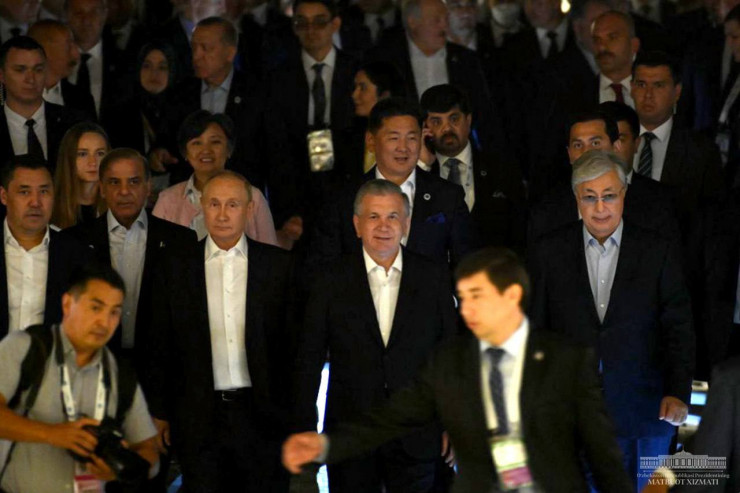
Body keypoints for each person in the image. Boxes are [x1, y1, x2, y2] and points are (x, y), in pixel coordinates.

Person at [283, 247, 633, 492]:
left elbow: (602, 456)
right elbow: (390, 419)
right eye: (462, 298)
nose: (465, 310)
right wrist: (325, 445)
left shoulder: (567, 362)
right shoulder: (450, 363)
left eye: (477, 296)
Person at [530, 151, 694, 490]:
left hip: (646, 411)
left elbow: (678, 327)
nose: (600, 207)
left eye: (609, 195)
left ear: (624, 194)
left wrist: (678, 391)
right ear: (576, 198)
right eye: (589, 197)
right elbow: (536, 332)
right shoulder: (549, 251)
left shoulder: (657, 249)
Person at [295, 179, 457, 492]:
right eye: (373, 217)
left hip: (417, 434)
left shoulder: (433, 276)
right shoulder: (329, 280)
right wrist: (305, 429)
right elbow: (309, 359)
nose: (383, 226)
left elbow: (449, 355)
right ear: (357, 225)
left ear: (406, 224)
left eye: (392, 217)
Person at [145, 170, 297, 492]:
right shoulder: (175, 265)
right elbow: (159, 342)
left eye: (233, 204)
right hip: (199, 415)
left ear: (249, 209)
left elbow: (294, 347)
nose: (223, 214)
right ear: (201, 206)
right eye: (214, 204)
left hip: (263, 414)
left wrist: (297, 415)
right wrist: (159, 412)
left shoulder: (279, 266)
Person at [0, 262, 159, 493]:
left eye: (114, 312)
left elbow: (149, 450)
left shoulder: (120, 373)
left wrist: (120, 469)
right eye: (95, 308)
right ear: (67, 304)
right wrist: (52, 434)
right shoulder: (25, 348)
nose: (104, 322)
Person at [63, 147, 197, 367]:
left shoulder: (180, 241)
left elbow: (188, 318)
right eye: (114, 182)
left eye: (134, 182)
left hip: (162, 369)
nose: (124, 191)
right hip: (93, 365)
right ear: (102, 188)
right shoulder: (73, 241)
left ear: (148, 186)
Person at [309, 97, 477, 271]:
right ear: (371, 141)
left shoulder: (448, 196)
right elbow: (323, 268)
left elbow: (467, 266)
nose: (403, 148)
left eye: (412, 138)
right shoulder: (343, 199)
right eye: (394, 138)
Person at [264, 0, 358, 248]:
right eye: (301, 22)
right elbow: (275, 149)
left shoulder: (355, 71)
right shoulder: (278, 77)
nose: (310, 30)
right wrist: (286, 210)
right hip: (298, 192)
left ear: (335, 24)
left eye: (319, 21)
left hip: (347, 183)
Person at [528, 110, 680, 246]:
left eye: (595, 143)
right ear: (569, 154)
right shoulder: (545, 212)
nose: (587, 153)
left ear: (616, 147)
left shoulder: (656, 205)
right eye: (578, 145)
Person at [364, 0, 499, 149]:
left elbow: (484, 114)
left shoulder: (466, 59)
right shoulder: (387, 59)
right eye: (437, 20)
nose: (445, 26)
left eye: (446, 19)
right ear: (413, 22)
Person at [157, 16, 267, 189]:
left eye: (206, 48)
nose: (197, 56)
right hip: (189, 193)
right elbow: (167, 140)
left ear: (230, 53)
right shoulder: (180, 94)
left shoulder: (256, 94)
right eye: (194, 48)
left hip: (242, 193)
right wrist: (159, 153)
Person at [420, 84, 526, 252]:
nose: (447, 128)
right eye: (436, 121)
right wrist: (423, 166)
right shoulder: (420, 172)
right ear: (425, 128)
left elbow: (521, 232)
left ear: (468, 121)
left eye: (454, 119)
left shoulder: (501, 168)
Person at [153, 110, 278, 246]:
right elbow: (155, 252)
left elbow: (270, 252)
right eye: (197, 143)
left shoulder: (253, 197)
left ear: (229, 149)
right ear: (185, 152)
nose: (206, 150)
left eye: (215, 142)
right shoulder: (167, 199)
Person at [631, 50, 725, 222]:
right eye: (641, 84)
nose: (648, 95)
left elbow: (711, 219)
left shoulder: (701, 152)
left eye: (658, 85)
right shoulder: (614, 142)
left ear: (677, 92)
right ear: (631, 88)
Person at [0, 155, 87, 338]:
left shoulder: (77, 255)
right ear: (4, 196)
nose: (35, 202)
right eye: (24, 192)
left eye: (44, 192)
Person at [0, 36, 87, 172]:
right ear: (2, 75)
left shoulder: (75, 122)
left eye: (38, 69)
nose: (30, 79)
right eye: (20, 70)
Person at [335, 60, 406, 181]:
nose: (354, 95)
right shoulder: (349, 137)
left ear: (384, 95)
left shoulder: (407, 137)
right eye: (355, 87)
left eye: (362, 88)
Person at [105, 41, 178, 156]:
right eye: (147, 66)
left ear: (171, 72)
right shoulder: (120, 113)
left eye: (162, 67)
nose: (154, 73)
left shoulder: (182, 111)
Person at [64, 0, 123, 120]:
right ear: (67, 15)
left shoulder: (124, 63)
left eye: (93, 13)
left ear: (104, 14)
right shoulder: (54, 61)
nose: (86, 20)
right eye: (79, 13)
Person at [27, 20, 96, 118]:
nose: (76, 55)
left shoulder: (82, 99)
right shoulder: (10, 97)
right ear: (43, 51)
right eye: (68, 47)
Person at [51, 122, 108, 229]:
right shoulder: (50, 207)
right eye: (83, 154)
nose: (93, 162)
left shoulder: (117, 204)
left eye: (100, 154)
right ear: (69, 158)